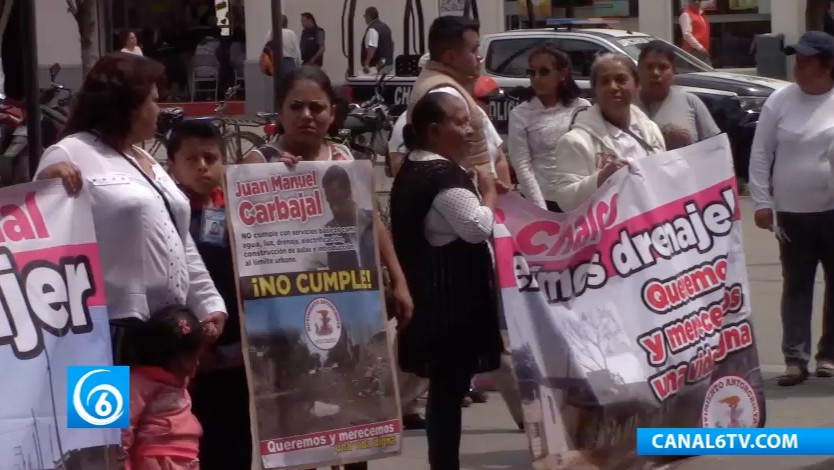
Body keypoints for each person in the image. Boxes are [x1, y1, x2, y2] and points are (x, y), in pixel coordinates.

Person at [241, 64, 413, 470]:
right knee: (300, 428)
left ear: (331, 113)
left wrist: (400, 280)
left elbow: (372, 224)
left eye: (316, 107)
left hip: (350, 296)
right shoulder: (258, 160)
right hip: (285, 302)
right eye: (295, 106)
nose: (307, 116)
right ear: (279, 112)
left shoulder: (345, 159)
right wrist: (269, 181)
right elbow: (242, 235)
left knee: (357, 424)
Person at [34, 52, 227, 364]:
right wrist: (44, 185)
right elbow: (41, 234)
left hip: (166, 334)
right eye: (152, 100)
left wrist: (207, 301)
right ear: (126, 105)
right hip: (100, 338)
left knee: (168, 415)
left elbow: (178, 238)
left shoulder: (145, 158)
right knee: (100, 414)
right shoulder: (69, 152)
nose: (158, 109)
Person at [391, 91, 504, 469]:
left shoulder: (416, 167)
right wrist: (488, 194)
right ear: (435, 131)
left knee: (445, 392)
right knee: (446, 394)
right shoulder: (440, 174)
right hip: (449, 307)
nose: (469, 130)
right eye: (460, 122)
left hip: (434, 300)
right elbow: (476, 228)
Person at [748, 31, 834, 387]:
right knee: (795, 285)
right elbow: (760, 152)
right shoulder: (780, 101)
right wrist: (762, 201)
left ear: (828, 66)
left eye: (807, 60)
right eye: (796, 58)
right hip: (791, 215)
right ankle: (795, 359)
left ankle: (829, 355)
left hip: (832, 212)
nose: (798, 65)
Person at [165, 121, 251, 469]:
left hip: (237, 351)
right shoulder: (166, 213)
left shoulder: (238, 206)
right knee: (195, 443)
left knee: (236, 439)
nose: (203, 165)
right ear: (172, 165)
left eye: (210, 157)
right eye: (192, 159)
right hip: (191, 354)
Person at [551, 53, 666, 212]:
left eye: (621, 80)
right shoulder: (575, 141)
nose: (613, 87)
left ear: (636, 84)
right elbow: (566, 200)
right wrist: (601, 178)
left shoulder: (651, 130)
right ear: (595, 90)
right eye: (605, 81)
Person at [407, 15, 499, 179]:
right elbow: (454, 161)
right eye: (473, 49)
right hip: (461, 195)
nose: (479, 56)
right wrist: (487, 192)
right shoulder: (446, 95)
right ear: (449, 57)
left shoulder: (441, 84)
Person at [507, 42, 591, 211]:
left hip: (579, 197)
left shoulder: (582, 107)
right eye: (531, 72)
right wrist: (540, 208)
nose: (536, 78)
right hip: (542, 200)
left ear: (563, 74)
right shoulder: (520, 114)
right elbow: (522, 165)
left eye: (544, 72)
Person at [121, 305, 205, 470]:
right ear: (171, 359)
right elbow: (122, 431)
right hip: (156, 461)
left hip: (187, 458)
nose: (197, 364)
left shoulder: (179, 382)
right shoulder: (138, 382)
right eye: (192, 358)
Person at [635, 39, 720, 151]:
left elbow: (717, 148)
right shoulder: (626, 106)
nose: (656, 73)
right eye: (649, 67)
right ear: (638, 70)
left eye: (663, 67)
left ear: (673, 72)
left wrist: (685, 142)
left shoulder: (691, 102)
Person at [307, 164, 375, 271]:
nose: (334, 207)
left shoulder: (371, 220)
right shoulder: (325, 235)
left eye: (337, 197)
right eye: (330, 201)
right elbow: (307, 267)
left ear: (348, 192)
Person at [361, 7, 393, 74]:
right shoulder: (385, 27)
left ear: (369, 16)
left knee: (374, 82)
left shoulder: (373, 29)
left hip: (377, 64)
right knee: (383, 82)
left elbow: (372, 48)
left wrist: (366, 63)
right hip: (386, 62)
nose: (364, 18)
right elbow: (391, 44)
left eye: (365, 16)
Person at [679, 0, 711, 64]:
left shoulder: (701, 15)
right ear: (689, 1)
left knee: (706, 72)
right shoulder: (686, 15)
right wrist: (700, 48)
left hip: (702, 51)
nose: (697, 2)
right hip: (692, 51)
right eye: (694, 0)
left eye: (699, 0)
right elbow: (687, 35)